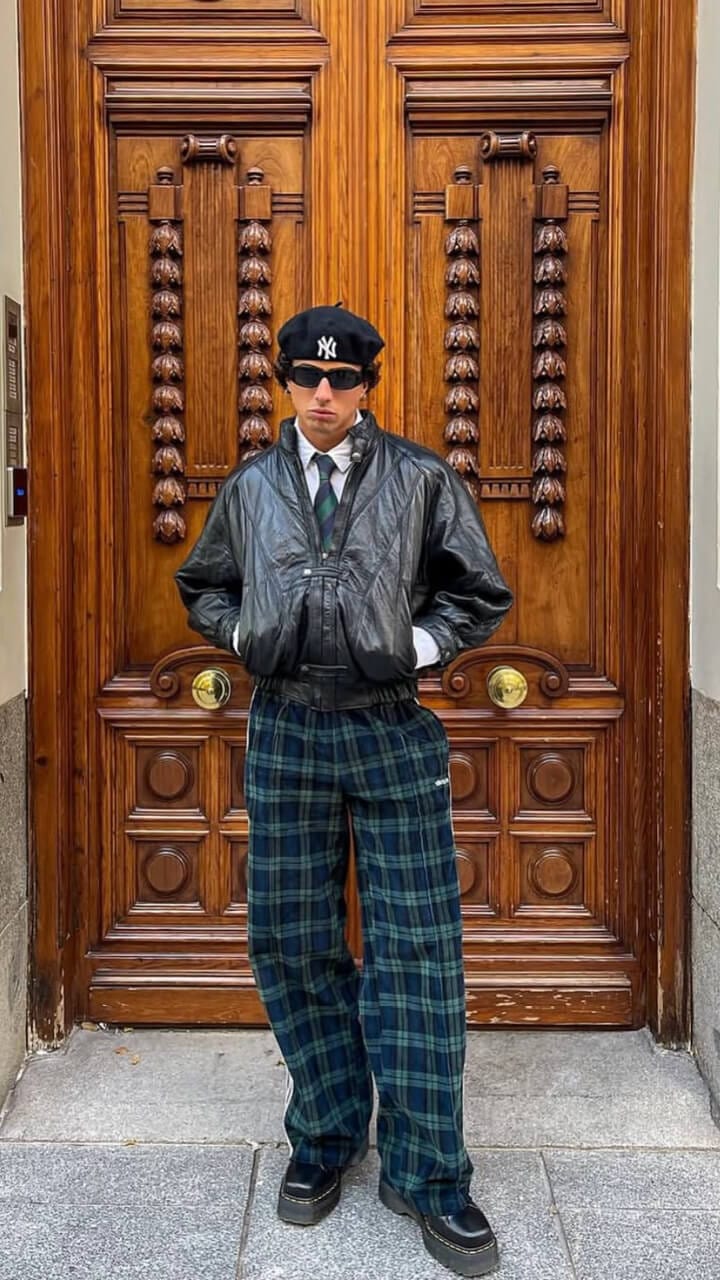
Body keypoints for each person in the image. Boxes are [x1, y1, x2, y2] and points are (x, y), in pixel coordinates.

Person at [175, 304, 513, 1277]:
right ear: (284, 381)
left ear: (367, 385)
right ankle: (326, 1134)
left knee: (418, 944)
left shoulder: (418, 479)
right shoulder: (249, 487)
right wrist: (240, 634)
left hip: (389, 729)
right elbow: (204, 584)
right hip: (284, 725)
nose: (324, 393)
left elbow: (479, 592)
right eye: (307, 376)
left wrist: (417, 643)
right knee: (291, 936)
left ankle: (429, 1167)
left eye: (343, 378)